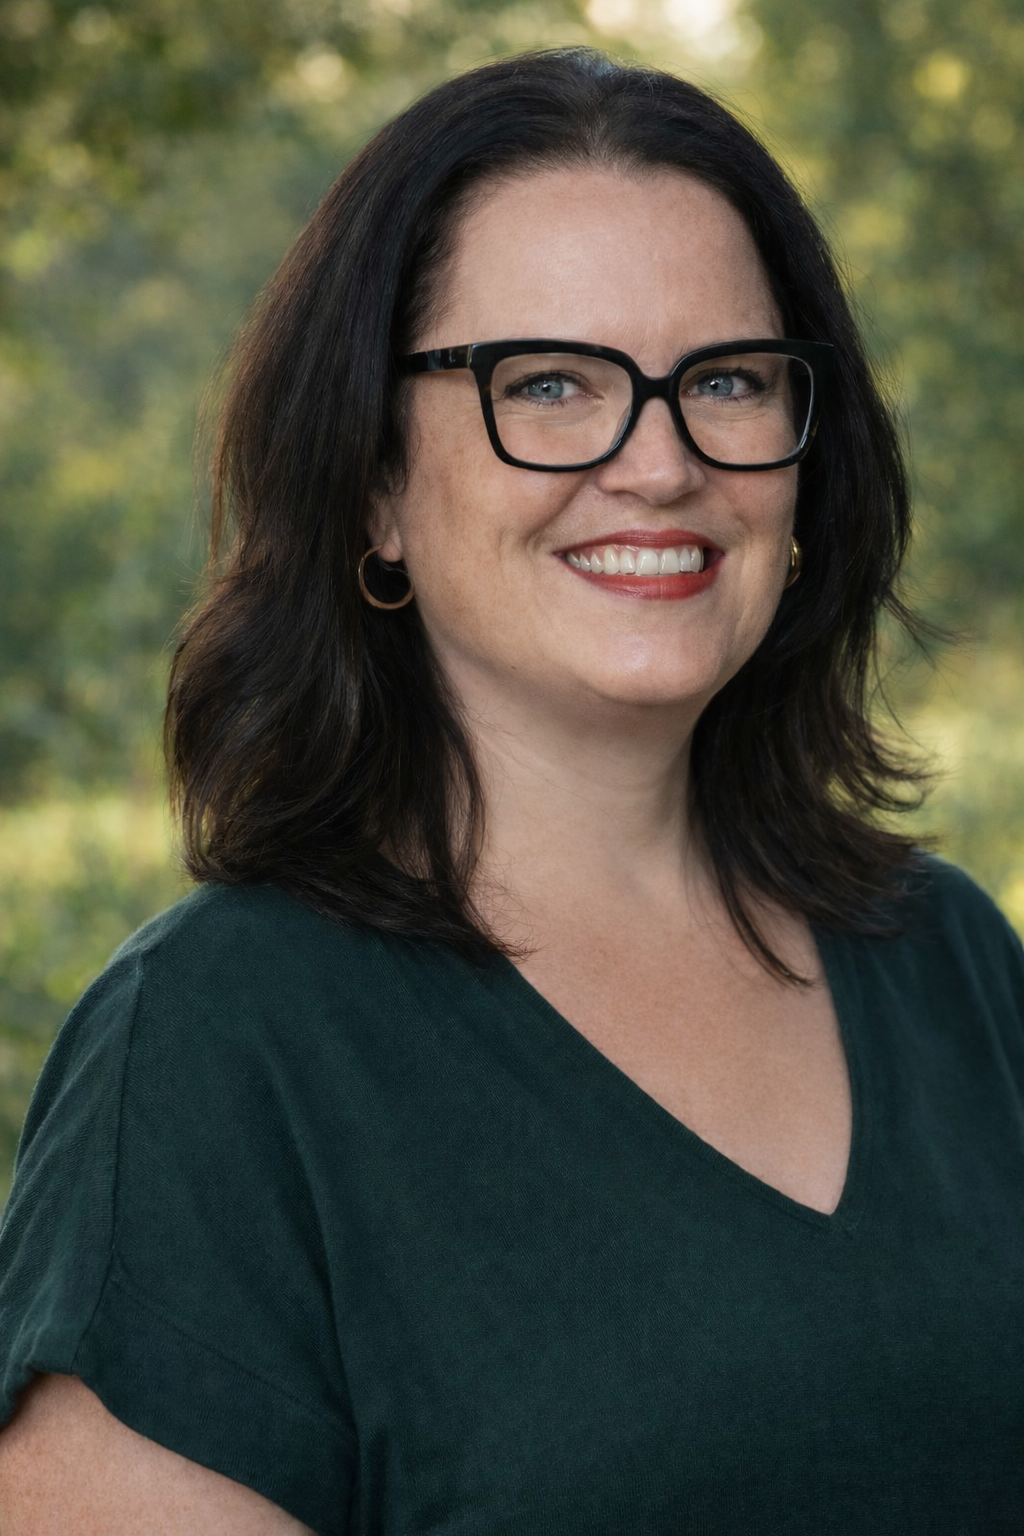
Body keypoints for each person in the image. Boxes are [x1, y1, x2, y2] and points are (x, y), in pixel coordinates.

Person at [1, 46, 1022, 1536]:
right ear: (373, 483)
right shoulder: (220, 1049)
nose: (659, 463)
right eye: (548, 384)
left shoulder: (949, 963)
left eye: (727, 381)